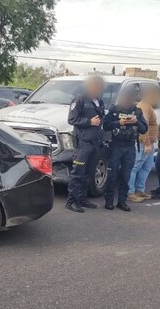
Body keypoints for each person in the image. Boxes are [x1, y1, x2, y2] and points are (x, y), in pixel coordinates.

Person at [103, 89, 148, 211]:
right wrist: (118, 122)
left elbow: (144, 129)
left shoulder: (137, 112)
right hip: (116, 146)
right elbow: (105, 125)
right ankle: (109, 201)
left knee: (126, 176)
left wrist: (137, 122)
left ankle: (122, 202)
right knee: (112, 175)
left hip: (130, 147)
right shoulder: (114, 110)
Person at [66, 75, 106, 213]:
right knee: (78, 173)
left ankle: (82, 199)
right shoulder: (80, 100)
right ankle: (71, 201)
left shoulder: (99, 101)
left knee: (88, 173)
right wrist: (89, 122)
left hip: (95, 143)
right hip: (83, 144)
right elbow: (72, 119)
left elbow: (102, 119)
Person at [128, 85, 160, 203]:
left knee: (146, 167)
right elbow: (142, 127)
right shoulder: (144, 106)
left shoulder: (148, 106)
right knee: (135, 167)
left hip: (149, 144)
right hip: (143, 143)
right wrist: (146, 143)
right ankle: (130, 192)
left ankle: (140, 190)